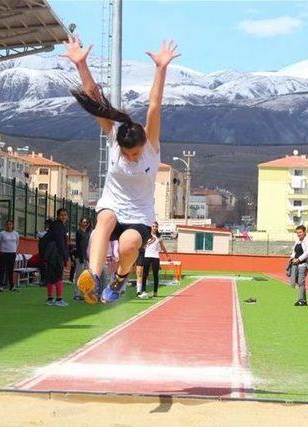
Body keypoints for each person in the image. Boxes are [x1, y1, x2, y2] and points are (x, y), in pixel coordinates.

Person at [63, 35, 180, 304]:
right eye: (126, 153)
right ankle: (92, 276)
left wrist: (161, 69)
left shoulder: (150, 145)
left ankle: (119, 278)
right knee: (104, 220)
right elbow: (95, 100)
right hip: (113, 204)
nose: (129, 157)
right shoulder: (115, 136)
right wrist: (81, 64)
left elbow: (154, 105)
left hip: (139, 214)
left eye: (134, 153)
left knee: (128, 245)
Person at [41, 208, 69, 306]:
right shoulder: (58, 226)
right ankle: (59, 299)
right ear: (58, 216)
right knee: (58, 277)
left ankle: (50, 299)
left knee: (51, 277)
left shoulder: (57, 226)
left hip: (51, 255)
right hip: (56, 255)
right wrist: (65, 256)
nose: (63, 216)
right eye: (61, 215)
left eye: (65, 215)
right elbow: (60, 242)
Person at [139, 222, 171, 299]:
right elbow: (141, 244)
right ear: (151, 227)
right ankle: (143, 291)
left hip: (155, 257)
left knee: (155, 275)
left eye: (156, 226)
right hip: (147, 256)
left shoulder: (159, 236)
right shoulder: (147, 235)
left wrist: (167, 255)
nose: (154, 227)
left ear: (157, 228)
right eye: (153, 226)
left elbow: (162, 246)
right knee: (145, 274)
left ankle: (155, 292)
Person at [289, 225, 308, 306]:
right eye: (297, 233)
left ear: (304, 232)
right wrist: (292, 258)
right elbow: (294, 251)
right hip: (295, 264)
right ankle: (304, 300)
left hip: (303, 264)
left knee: (301, 282)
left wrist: (298, 259)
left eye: (300, 232)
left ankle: (301, 300)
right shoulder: (298, 241)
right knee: (296, 281)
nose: (298, 234)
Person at [73, 217, 92, 301]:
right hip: (80, 257)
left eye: (87, 222)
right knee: (78, 275)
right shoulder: (79, 232)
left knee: (85, 276)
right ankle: (77, 294)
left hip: (86, 257)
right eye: (84, 222)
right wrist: (80, 257)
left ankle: (84, 293)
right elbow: (78, 246)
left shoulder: (88, 233)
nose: (85, 224)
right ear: (80, 223)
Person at [0, 219, 19, 292]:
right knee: (2, 269)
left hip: (12, 253)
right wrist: (1, 250)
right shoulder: (2, 233)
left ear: (12, 225)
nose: (9, 226)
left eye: (10, 224)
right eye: (7, 224)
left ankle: (12, 286)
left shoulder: (16, 233)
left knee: (10, 270)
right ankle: (1, 286)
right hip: (4, 253)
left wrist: (14, 250)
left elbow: (17, 243)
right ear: (5, 225)